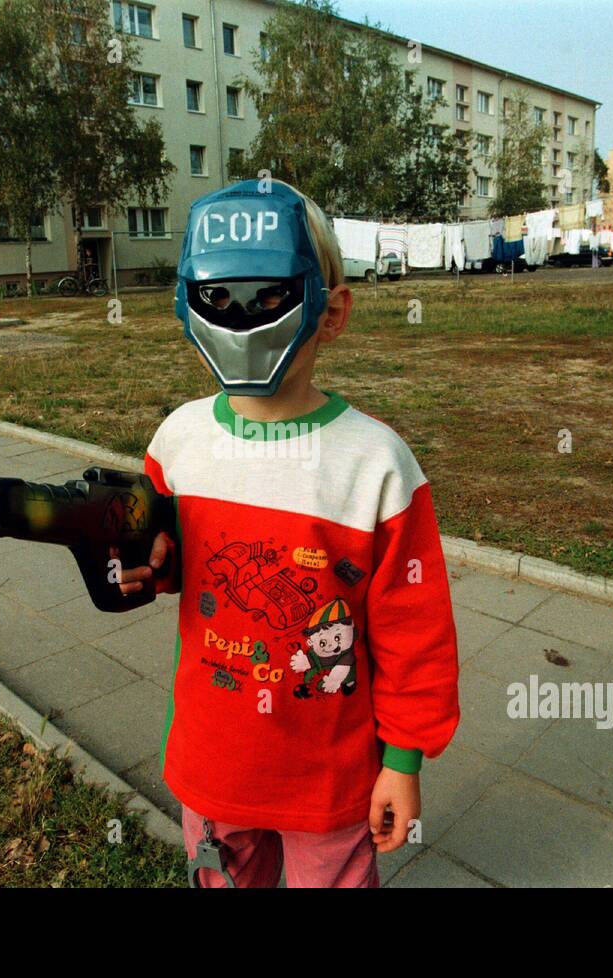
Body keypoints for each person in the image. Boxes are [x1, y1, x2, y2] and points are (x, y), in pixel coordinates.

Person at [116, 180, 459, 888]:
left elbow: (413, 629)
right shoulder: (177, 442)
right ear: (189, 300)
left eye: (268, 297)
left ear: (331, 314)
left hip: (331, 786)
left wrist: (402, 761)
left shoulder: (376, 464)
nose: (243, 318)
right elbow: (175, 566)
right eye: (223, 297)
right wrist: (140, 566)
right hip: (216, 772)